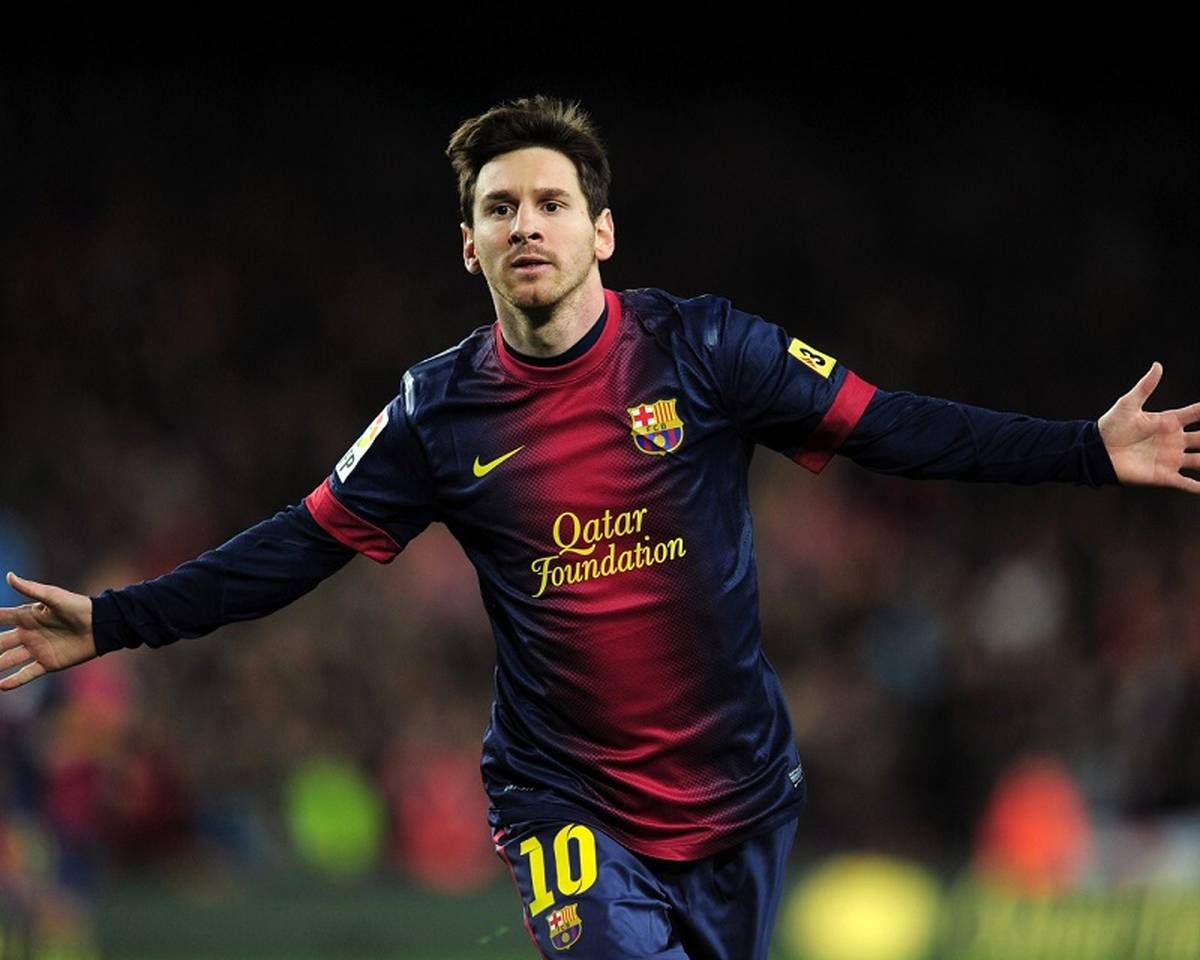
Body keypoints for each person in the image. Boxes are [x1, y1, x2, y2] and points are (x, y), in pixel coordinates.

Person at [1, 94, 1198, 960]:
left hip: (739, 797)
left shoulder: (706, 349)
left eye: (551, 203)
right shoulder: (435, 414)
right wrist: (113, 621)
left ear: (601, 231)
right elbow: (293, 546)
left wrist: (1083, 450)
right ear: (468, 244)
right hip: (564, 800)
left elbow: (892, 426)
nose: (527, 225)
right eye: (500, 208)